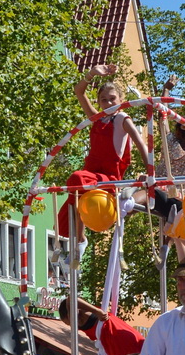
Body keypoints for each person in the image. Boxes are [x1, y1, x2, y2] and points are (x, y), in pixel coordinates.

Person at [61, 65, 149, 246]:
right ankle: (77, 241)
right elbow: (79, 91)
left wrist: (150, 172)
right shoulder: (96, 118)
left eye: (112, 99)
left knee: (76, 178)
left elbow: (142, 145)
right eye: (103, 100)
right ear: (99, 102)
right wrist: (92, 73)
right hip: (91, 175)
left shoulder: (122, 118)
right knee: (73, 191)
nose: (108, 103)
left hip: (109, 178)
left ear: (121, 100)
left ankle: (79, 239)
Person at [58, 295, 146, 355]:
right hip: (116, 341)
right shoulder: (82, 318)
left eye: (67, 322)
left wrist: (97, 311)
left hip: (117, 336)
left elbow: (71, 299)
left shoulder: (82, 315)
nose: (71, 326)